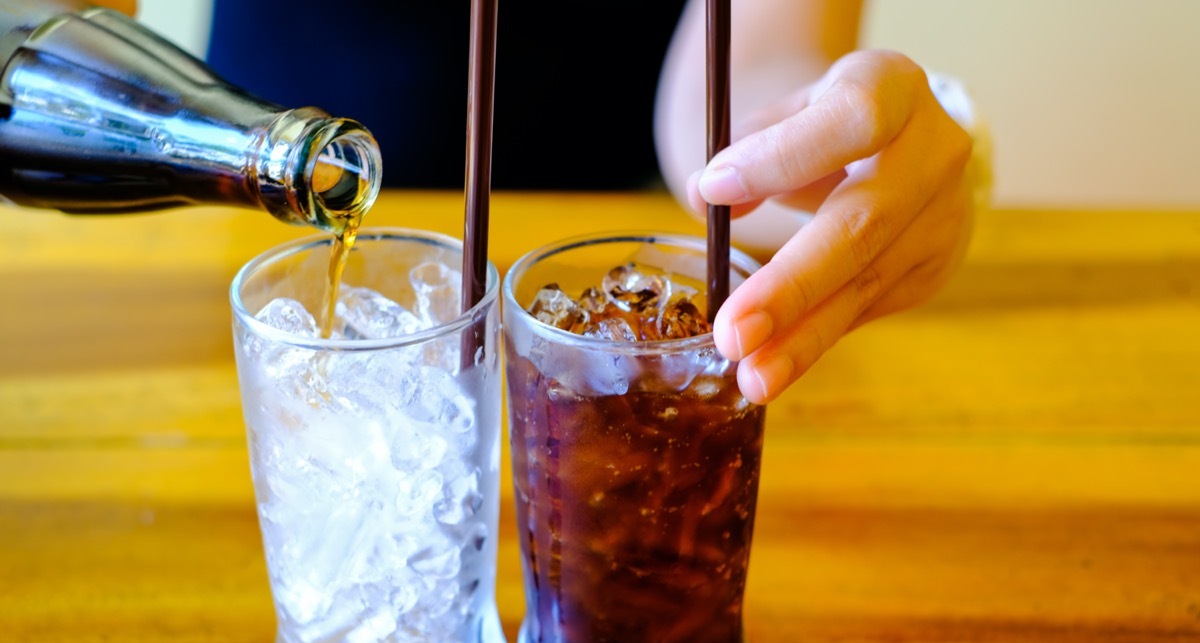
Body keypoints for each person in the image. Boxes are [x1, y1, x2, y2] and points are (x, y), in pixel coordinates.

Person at [95, 0, 981, 405]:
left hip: (606, 308)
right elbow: (65, 41)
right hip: (240, 270)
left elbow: (747, 81)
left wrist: (838, 150)